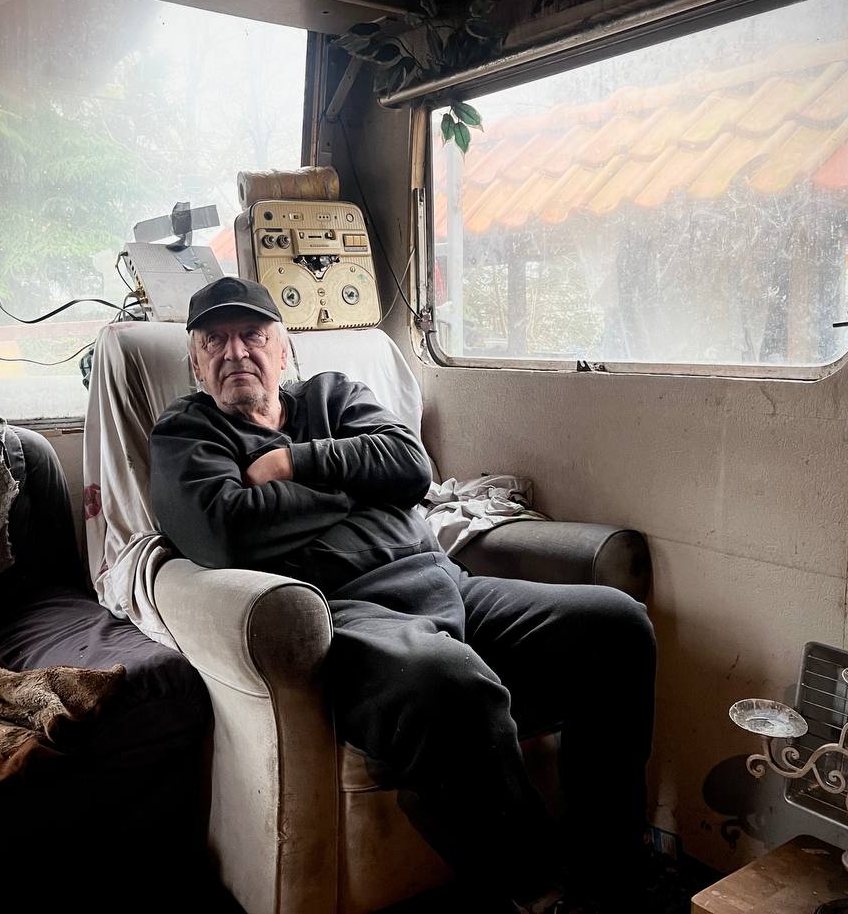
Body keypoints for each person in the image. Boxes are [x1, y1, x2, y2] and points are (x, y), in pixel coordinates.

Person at [150, 277, 656, 914]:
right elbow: (223, 531)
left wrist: (288, 467)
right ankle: (539, 890)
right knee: (444, 681)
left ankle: (609, 866)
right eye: (213, 340)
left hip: (449, 584)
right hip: (346, 612)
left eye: (252, 334)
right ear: (195, 360)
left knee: (616, 624)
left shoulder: (334, 393)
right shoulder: (186, 433)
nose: (235, 352)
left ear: (283, 349)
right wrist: (357, 483)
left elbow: (409, 468)